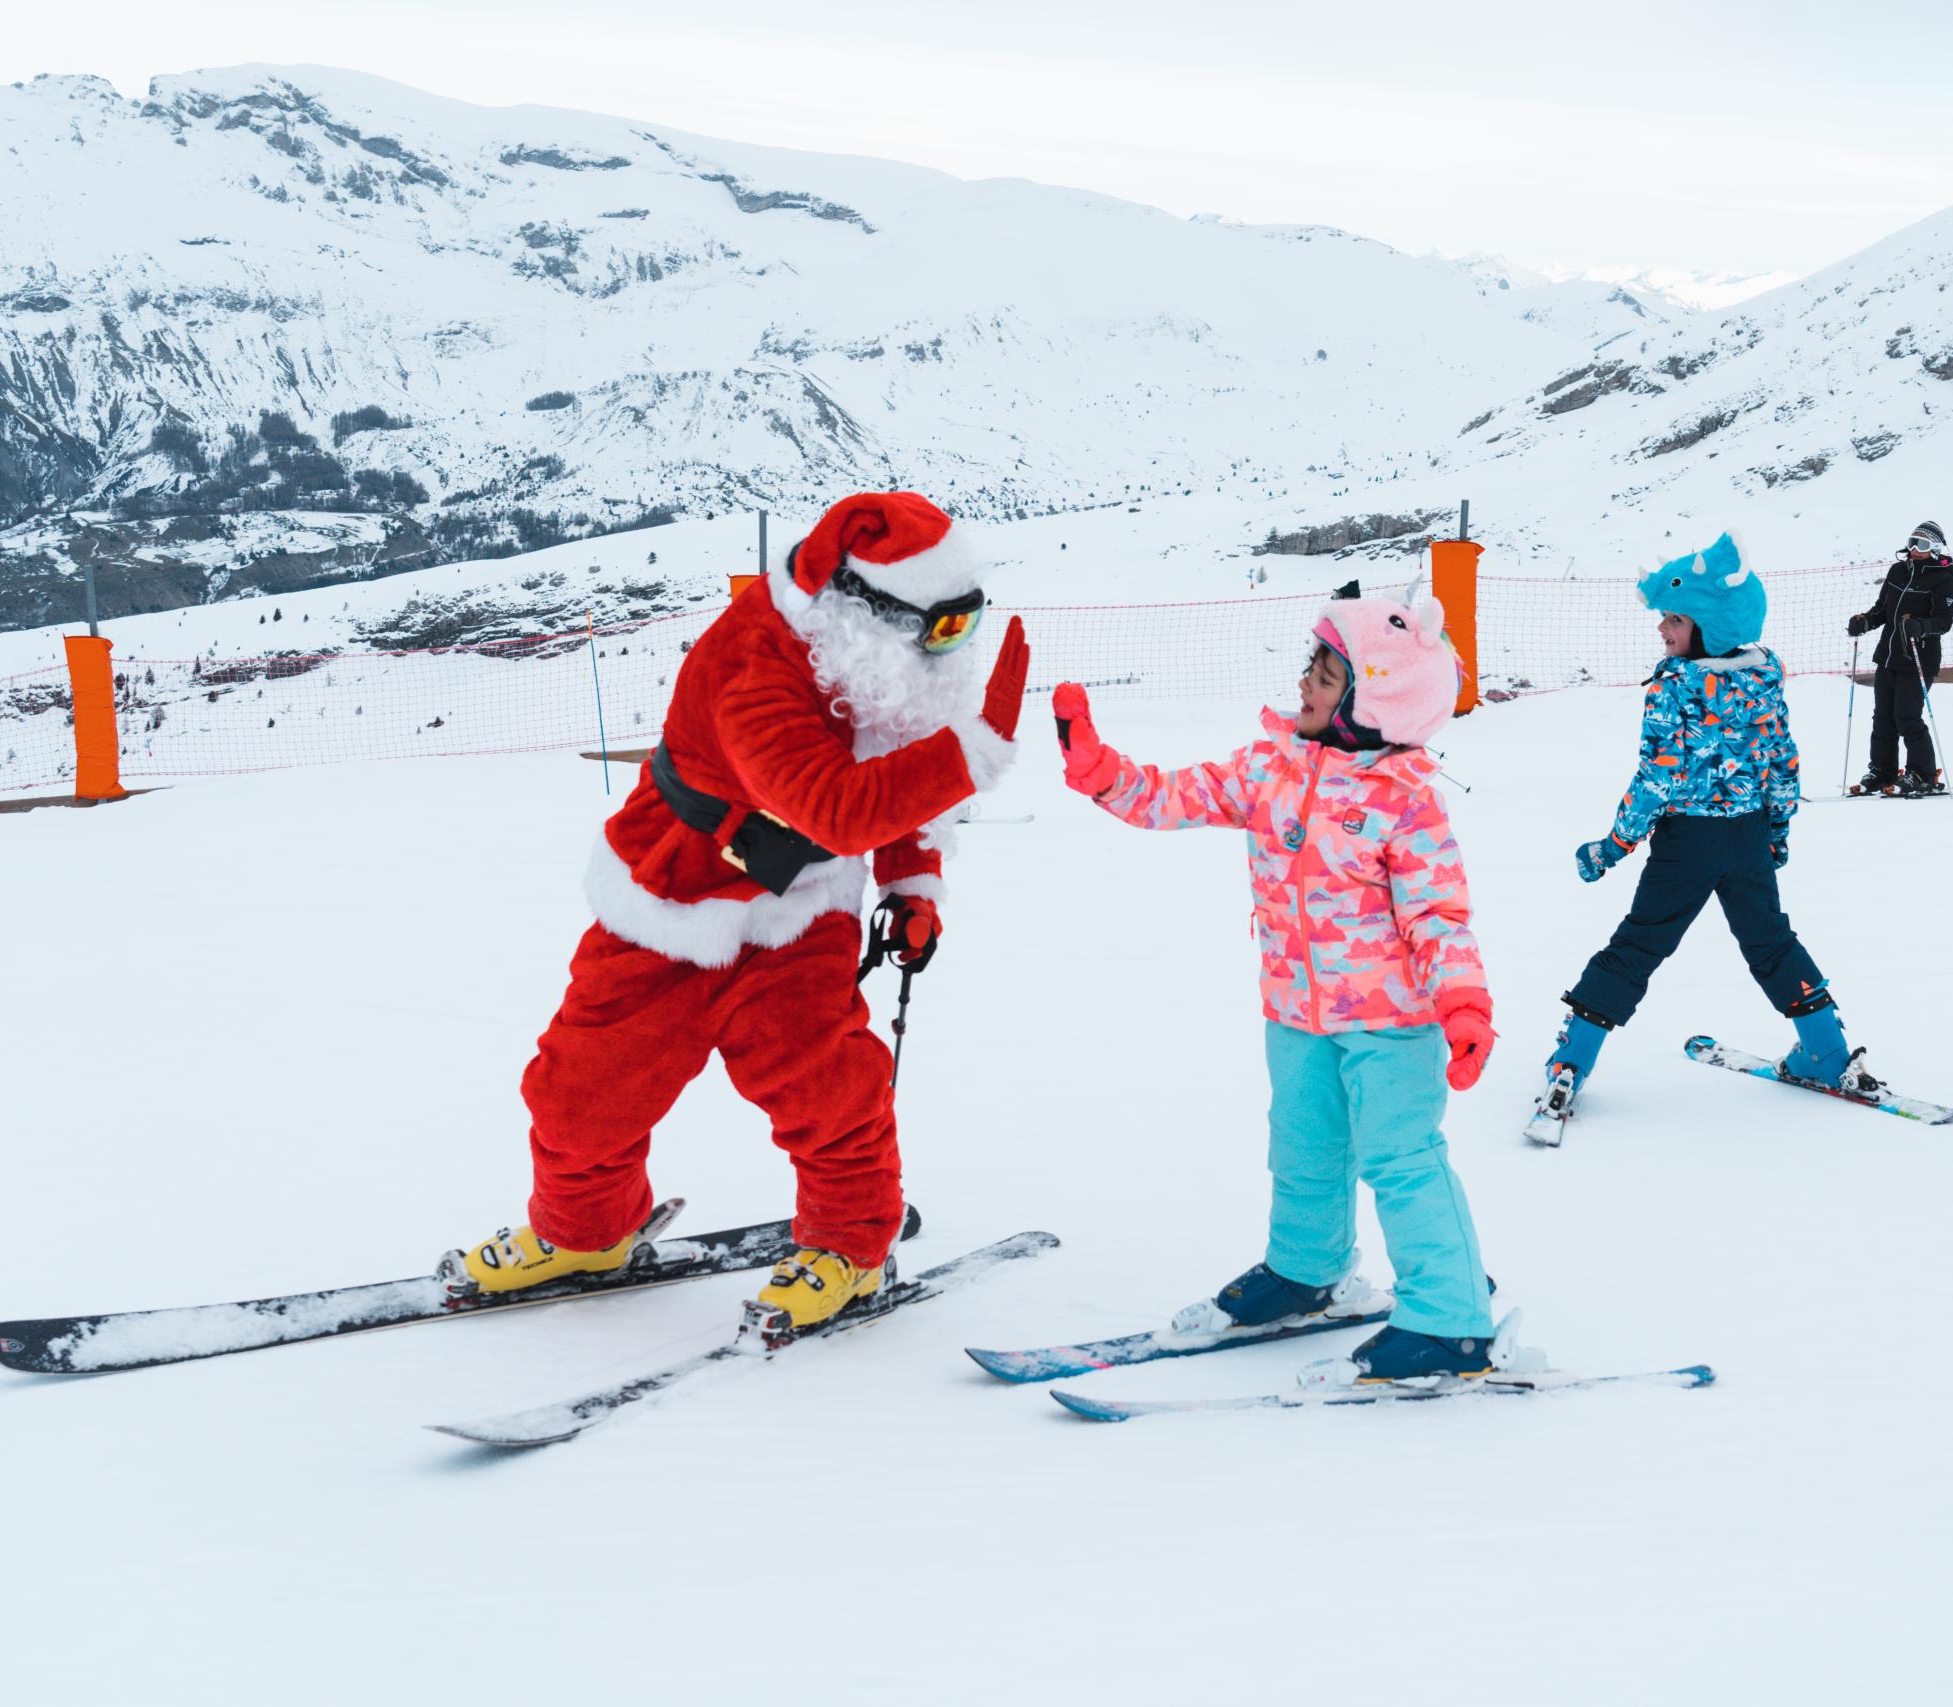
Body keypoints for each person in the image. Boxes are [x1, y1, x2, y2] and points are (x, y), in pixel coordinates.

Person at [440, 492, 1032, 1332]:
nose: (952, 651)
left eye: (965, 626)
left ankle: (852, 1245)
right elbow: (835, 802)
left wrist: (911, 882)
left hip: (799, 909)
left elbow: (900, 755)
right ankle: (583, 1233)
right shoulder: (754, 661)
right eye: (939, 630)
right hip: (669, 896)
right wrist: (971, 755)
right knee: (580, 1090)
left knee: (829, 1087)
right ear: (859, 608)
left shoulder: (876, 659)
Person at [1048, 585, 1504, 1385]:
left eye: (1326, 675)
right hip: (1296, 1012)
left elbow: (1439, 917)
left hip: (1393, 1023)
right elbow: (1170, 797)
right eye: (1311, 667)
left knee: (1401, 1158)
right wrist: (1100, 771)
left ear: (1375, 701)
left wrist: (1462, 1005)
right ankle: (1305, 1270)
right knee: (1303, 1148)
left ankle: (1449, 1318)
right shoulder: (1268, 767)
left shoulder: (1403, 803)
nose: (1305, 684)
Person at [1537, 533, 1882, 1121]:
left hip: (1687, 844)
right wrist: (1776, 831)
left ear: (1710, 625)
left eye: (1674, 618)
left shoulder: (1674, 687)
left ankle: (1572, 1059)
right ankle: (1824, 1050)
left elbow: (1656, 778)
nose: (1662, 629)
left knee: (1640, 943)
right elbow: (1783, 762)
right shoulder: (1764, 680)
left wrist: (1612, 846)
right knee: (1771, 941)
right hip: (1746, 836)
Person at [1846, 520, 1953, 797]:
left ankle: (1922, 774)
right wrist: (1865, 621)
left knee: (1907, 717)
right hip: (1888, 655)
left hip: (1919, 657)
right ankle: (1882, 771)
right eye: (1912, 542)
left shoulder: (1942, 577)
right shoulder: (1898, 570)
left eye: (1921, 544)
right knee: (1882, 718)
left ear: (1934, 548)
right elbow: (1882, 610)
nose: (1914, 549)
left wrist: (1921, 626)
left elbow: (1944, 621)